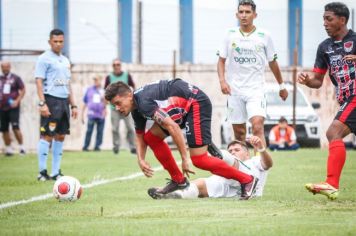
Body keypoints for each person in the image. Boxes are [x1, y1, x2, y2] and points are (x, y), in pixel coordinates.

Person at [105, 79, 259, 200]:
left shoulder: (143, 102)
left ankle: (247, 180)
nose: (117, 108)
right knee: (150, 137)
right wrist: (141, 159)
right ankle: (178, 180)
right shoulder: (136, 108)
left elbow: (173, 128)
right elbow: (140, 135)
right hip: (181, 110)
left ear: (129, 95)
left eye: (118, 103)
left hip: (195, 103)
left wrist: (185, 158)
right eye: (114, 106)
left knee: (199, 160)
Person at [298, 2, 356, 200]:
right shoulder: (324, 47)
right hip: (346, 99)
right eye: (323, 18)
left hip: (355, 97)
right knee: (335, 134)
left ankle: (331, 183)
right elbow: (317, 81)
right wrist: (307, 81)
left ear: (342, 20)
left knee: (334, 132)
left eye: (328, 18)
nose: (324, 23)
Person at [217, 0, 288, 149]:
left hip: (256, 90)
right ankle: (243, 166)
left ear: (255, 15)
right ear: (237, 14)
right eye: (241, 12)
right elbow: (221, 60)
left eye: (247, 12)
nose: (244, 15)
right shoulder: (229, 34)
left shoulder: (265, 36)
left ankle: (261, 166)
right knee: (239, 133)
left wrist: (281, 85)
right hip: (234, 90)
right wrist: (223, 82)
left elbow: (273, 62)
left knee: (257, 127)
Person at [147, 135, 272, 200]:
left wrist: (261, 148)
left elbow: (268, 164)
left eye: (237, 149)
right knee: (200, 183)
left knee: (231, 161)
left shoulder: (254, 161)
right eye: (231, 150)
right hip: (228, 186)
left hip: (249, 181)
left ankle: (217, 153)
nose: (234, 151)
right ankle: (175, 195)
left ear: (247, 153)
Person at [35, 29, 78, 181]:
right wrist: (42, 103)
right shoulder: (44, 59)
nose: (58, 44)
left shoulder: (65, 60)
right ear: (50, 42)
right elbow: (39, 81)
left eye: (61, 41)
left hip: (64, 102)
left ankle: (55, 172)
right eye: (55, 41)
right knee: (47, 135)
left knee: (60, 136)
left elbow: (68, 84)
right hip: (51, 100)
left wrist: (73, 105)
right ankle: (42, 172)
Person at [104, 59, 136, 154]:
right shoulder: (109, 77)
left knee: (130, 127)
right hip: (114, 109)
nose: (116, 66)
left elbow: (133, 87)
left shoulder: (127, 75)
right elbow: (105, 93)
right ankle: (116, 147)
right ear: (112, 66)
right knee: (115, 128)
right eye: (114, 65)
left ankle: (132, 146)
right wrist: (104, 106)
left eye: (118, 64)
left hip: (126, 107)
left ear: (120, 65)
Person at [0, 61, 26, 156]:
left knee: (15, 127)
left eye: (6, 67)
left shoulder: (15, 78)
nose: (4, 69)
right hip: (2, 108)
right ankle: (9, 149)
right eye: (3, 67)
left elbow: (23, 89)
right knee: (4, 129)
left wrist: (17, 101)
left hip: (13, 107)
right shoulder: (1, 78)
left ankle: (22, 147)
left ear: (10, 67)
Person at [81, 75, 106, 151]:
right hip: (91, 114)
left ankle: (97, 147)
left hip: (101, 114)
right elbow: (85, 102)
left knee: (100, 132)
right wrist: (82, 114)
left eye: (97, 80)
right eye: (94, 80)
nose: (95, 81)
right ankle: (86, 146)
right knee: (89, 131)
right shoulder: (89, 90)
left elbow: (106, 103)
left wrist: (104, 99)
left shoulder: (103, 90)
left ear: (101, 80)